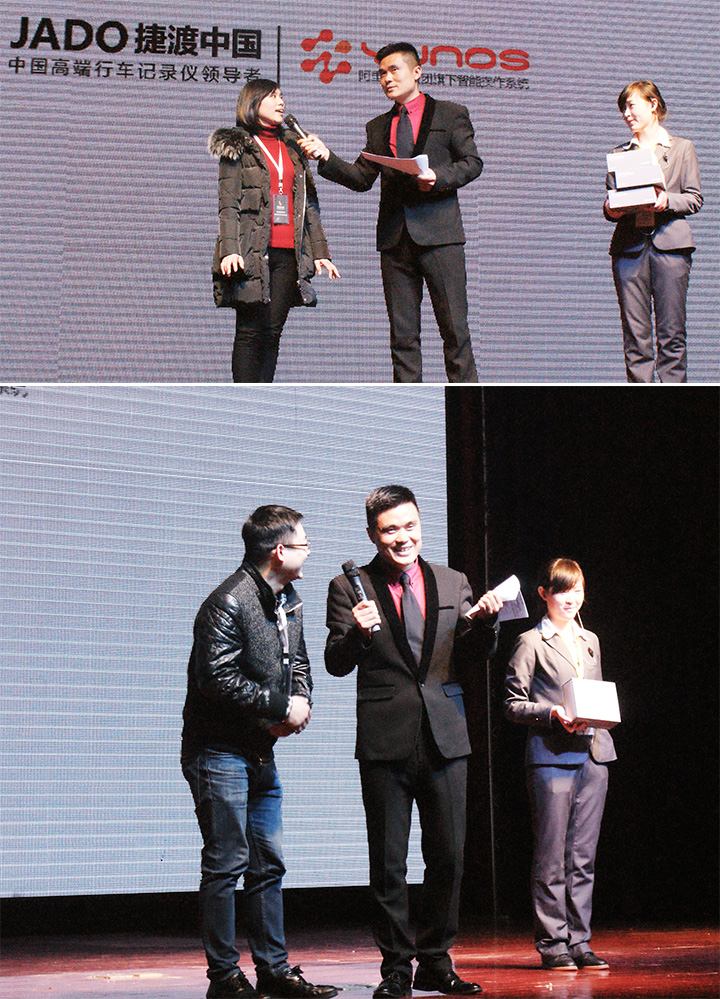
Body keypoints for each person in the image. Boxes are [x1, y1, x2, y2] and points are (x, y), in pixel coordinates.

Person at [325, 485, 502, 998]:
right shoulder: (350, 586)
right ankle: (397, 969)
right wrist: (358, 633)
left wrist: (487, 624)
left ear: (421, 523)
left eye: (410, 526)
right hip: (386, 740)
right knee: (389, 864)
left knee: (449, 856)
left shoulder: (452, 580)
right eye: (390, 530)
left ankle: (436, 962)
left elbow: (471, 653)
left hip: (446, 735)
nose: (403, 538)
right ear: (372, 535)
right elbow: (336, 662)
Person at [182, 505, 339, 999]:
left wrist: (300, 703)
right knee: (227, 862)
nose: (309, 552)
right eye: (304, 545)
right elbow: (216, 678)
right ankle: (225, 978)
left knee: (267, 863)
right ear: (279, 551)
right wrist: (278, 706)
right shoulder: (229, 602)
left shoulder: (287, 599)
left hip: (259, 752)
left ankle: (274, 971)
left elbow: (300, 664)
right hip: (219, 752)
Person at [299, 43, 482, 383]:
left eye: (394, 70)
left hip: (441, 237)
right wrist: (326, 156)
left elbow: (472, 163)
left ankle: (466, 404)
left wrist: (438, 177)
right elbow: (361, 178)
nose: (386, 79)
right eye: (381, 73)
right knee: (402, 339)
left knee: (455, 332)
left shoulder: (450, 114)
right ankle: (410, 402)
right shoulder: (378, 126)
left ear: (417, 72)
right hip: (395, 241)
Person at [504, 559, 616, 972]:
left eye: (578, 590)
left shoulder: (590, 640)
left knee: (583, 858)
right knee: (551, 857)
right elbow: (512, 704)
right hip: (551, 756)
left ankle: (580, 941)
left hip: (594, 754)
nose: (572, 598)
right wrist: (551, 713)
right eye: (563, 590)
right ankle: (553, 944)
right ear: (544, 594)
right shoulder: (530, 642)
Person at [209, 80, 339, 382]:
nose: (281, 102)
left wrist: (320, 252)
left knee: (272, 332)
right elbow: (228, 204)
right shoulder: (236, 145)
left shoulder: (293, 145)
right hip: (251, 251)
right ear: (253, 103)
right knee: (249, 331)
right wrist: (230, 249)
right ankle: (244, 396)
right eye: (273, 97)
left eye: (281, 96)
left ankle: (264, 393)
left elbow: (308, 204)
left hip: (289, 252)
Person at [604, 80, 703, 382]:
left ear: (653, 105)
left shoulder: (682, 148)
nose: (626, 113)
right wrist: (612, 208)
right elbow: (610, 202)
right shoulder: (620, 153)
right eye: (623, 108)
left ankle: (673, 403)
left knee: (672, 334)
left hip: (670, 247)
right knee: (635, 337)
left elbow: (694, 198)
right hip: (629, 249)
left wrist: (666, 200)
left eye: (631, 105)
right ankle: (640, 404)